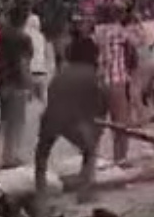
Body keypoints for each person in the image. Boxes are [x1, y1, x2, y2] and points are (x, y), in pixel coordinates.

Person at [35, 37, 104, 207]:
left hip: (50, 117)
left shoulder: (62, 73)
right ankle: (84, 192)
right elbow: (97, 104)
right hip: (73, 120)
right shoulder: (91, 74)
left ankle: (40, 192)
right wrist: (95, 129)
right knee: (90, 151)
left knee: (42, 155)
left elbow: (52, 95)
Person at [94, 3, 143, 164]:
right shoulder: (119, 31)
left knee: (98, 124)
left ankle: (91, 159)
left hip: (100, 81)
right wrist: (138, 24)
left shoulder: (98, 31)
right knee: (121, 123)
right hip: (117, 79)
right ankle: (120, 158)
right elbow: (140, 42)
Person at [0, 6, 34, 168]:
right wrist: (30, 84)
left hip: (3, 82)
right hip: (17, 83)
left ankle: (6, 154)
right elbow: (23, 64)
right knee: (17, 121)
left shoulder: (2, 35)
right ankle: (13, 156)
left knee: (6, 121)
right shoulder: (24, 39)